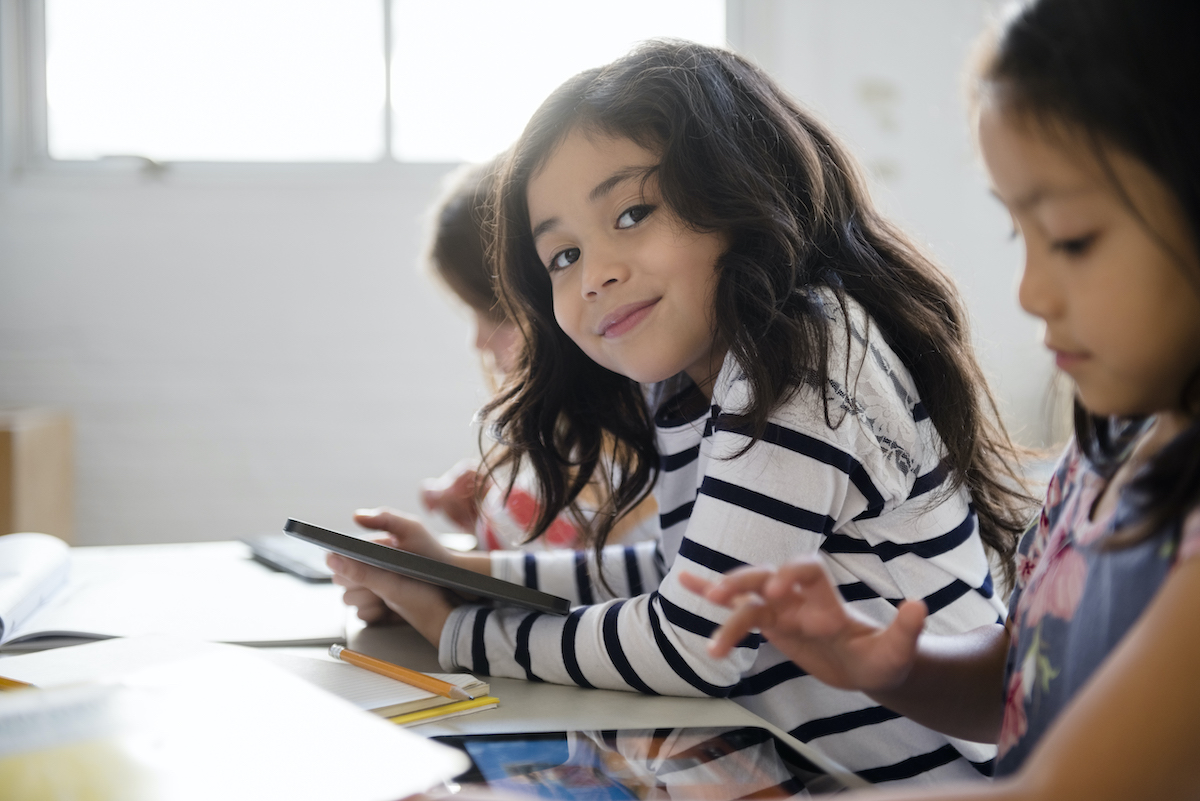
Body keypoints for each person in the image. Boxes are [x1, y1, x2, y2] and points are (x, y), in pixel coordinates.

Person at [328, 39, 1034, 787]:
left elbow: (692, 640)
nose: (595, 272)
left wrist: (458, 630)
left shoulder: (804, 352)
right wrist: (463, 571)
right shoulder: (694, 377)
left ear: (740, 190)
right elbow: (681, 571)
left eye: (631, 212)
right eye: (562, 255)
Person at [683, 1, 1200, 798]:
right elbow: (1024, 677)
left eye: (1070, 237)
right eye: (1014, 232)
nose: (1029, 290)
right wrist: (883, 661)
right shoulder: (1104, 455)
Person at [394, 158, 657, 553]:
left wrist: (452, 574)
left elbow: (591, 585)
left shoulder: (652, 456)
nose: (478, 343)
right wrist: (488, 509)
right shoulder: (571, 446)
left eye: (489, 313)